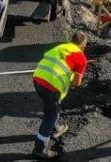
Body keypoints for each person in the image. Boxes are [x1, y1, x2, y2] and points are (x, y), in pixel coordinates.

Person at [31, 31, 89, 159]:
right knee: (50, 116)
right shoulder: (81, 58)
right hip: (51, 86)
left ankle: (56, 127)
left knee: (52, 108)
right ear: (83, 45)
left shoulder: (60, 47)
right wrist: (71, 81)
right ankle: (39, 149)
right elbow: (77, 82)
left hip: (38, 79)